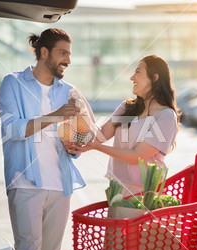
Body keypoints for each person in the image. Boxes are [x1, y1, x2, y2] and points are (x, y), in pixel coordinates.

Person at [0, 28, 85, 250]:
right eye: (62, 53)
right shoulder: (13, 83)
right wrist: (54, 116)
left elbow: (74, 137)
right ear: (44, 52)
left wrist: (76, 147)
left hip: (60, 186)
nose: (68, 60)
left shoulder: (69, 91)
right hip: (25, 184)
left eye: (69, 54)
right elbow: (11, 128)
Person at [69, 55, 180, 197]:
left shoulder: (165, 116)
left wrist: (96, 147)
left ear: (155, 77)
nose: (132, 77)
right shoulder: (127, 107)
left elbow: (137, 156)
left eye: (138, 72)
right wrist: (81, 113)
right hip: (117, 186)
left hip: (146, 192)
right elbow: (100, 135)